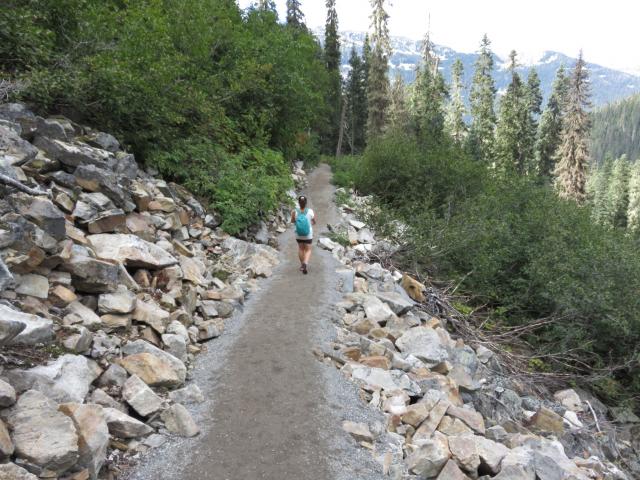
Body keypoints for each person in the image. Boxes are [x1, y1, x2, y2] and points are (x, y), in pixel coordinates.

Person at [291, 195, 316, 274]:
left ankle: (302, 265)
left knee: (301, 249)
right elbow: (314, 222)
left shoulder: (294, 211)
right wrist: (311, 222)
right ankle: (305, 263)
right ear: (306, 203)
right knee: (308, 250)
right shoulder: (310, 211)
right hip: (308, 234)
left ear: (298, 203)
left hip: (298, 234)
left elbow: (292, 221)